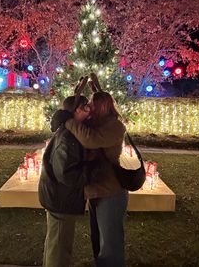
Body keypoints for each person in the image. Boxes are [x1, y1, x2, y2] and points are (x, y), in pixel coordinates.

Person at [65, 91, 127, 267]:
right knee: (97, 237)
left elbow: (90, 140)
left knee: (110, 241)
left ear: (102, 106)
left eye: (93, 103)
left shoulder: (115, 127)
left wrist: (70, 121)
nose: (89, 106)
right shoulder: (96, 124)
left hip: (111, 191)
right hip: (95, 189)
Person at [38, 94, 91, 267]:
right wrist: (92, 171)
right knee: (59, 248)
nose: (90, 110)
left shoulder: (69, 131)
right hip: (61, 199)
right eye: (86, 107)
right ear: (77, 110)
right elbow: (67, 175)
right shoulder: (69, 137)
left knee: (55, 244)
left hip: (58, 197)